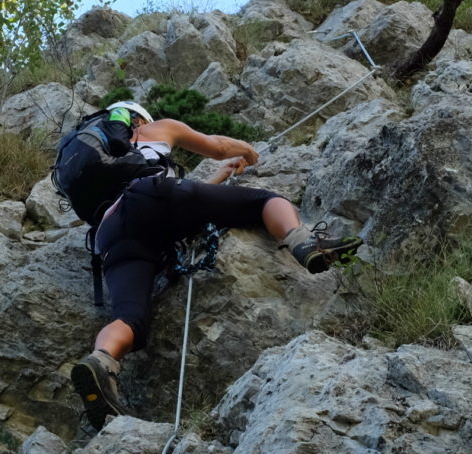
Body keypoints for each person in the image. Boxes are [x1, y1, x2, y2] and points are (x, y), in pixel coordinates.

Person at [65, 100, 359, 426]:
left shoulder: (92, 165)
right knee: (264, 201)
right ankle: (303, 242)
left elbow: (180, 201)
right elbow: (216, 149)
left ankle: (102, 361)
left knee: (130, 316)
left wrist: (219, 177)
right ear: (137, 120)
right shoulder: (153, 129)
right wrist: (247, 150)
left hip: (110, 236)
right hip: (154, 196)